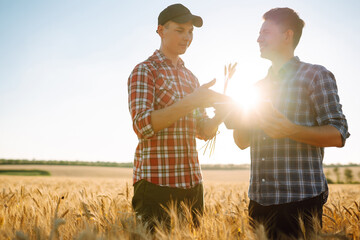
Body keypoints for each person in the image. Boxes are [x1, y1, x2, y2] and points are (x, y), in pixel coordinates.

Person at [229, 7, 350, 239]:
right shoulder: (255, 88)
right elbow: (241, 142)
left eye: (265, 32)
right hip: (258, 203)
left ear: (287, 35)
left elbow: (339, 132)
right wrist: (236, 117)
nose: (258, 38)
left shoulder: (315, 75)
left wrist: (290, 130)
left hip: (299, 203)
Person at [127, 3, 230, 231]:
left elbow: (203, 131)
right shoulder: (145, 71)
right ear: (161, 30)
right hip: (156, 183)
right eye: (180, 30)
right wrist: (192, 101)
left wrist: (220, 115)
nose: (187, 37)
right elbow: (142, 125)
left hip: (192, 183)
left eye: (191, 31)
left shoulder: (191, 79)